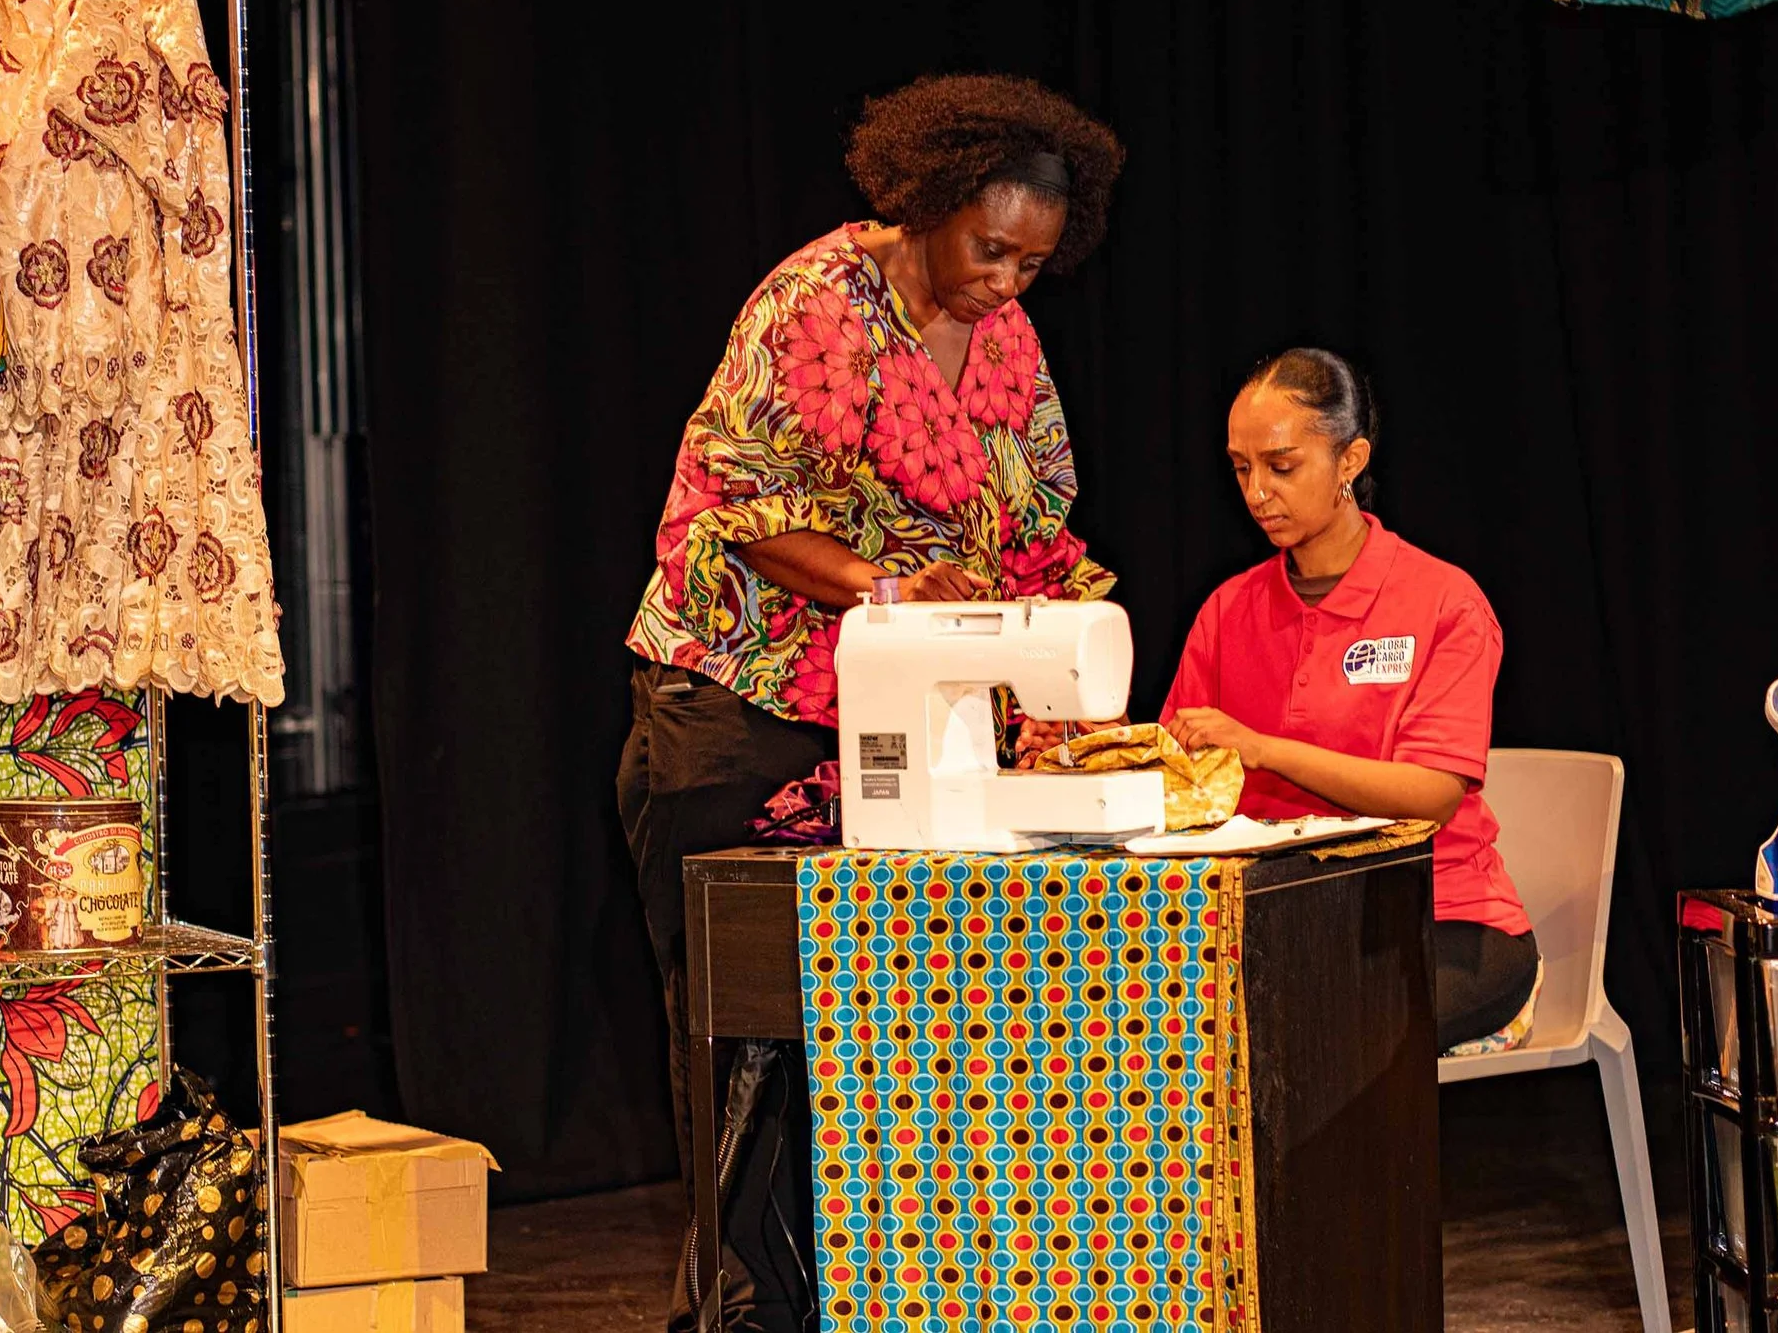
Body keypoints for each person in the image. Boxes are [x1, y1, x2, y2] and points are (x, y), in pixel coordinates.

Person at [616, 73, 1125, 1333]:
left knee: (877, 1020)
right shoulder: (818, 305)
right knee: (745, 1037)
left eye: (1033, 264)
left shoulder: (999, 331)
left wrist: (1065, 642)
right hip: (737, 705)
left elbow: (1029, 510)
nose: (1008, 281)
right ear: (930, 202)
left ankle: (877, 1296)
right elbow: (752, 507)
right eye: (991, 248)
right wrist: (886, 583)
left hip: (890, 709)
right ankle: (743, 1308)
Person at [1162, 348, 1543, 1053]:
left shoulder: (1442, 602)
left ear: (1350, 460)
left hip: (1443, 916)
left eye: (1281, 466)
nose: (1256, 493)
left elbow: (1431, 794)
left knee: (1315, 1029)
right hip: (1281, 918)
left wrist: (1263, 748)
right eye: (1241, 469)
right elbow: (1175, 780)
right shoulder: (1227, 610)